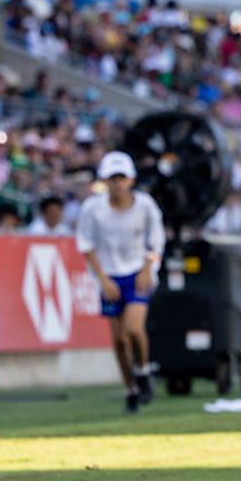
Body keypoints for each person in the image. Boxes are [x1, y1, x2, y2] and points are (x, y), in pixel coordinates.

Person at [75, 151, 166, 413]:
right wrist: (102, 279)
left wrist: (149, 267)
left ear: (131, 179)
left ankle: (143, 370)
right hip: (110, 277)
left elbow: (156, 239)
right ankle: (131, 389)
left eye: (121, 178)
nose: (117, 183)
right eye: (112, 178)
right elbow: (86, 245)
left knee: (134, 329)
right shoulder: (93, 209)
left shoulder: (145, 205)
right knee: (119, 341)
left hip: (137, 274)